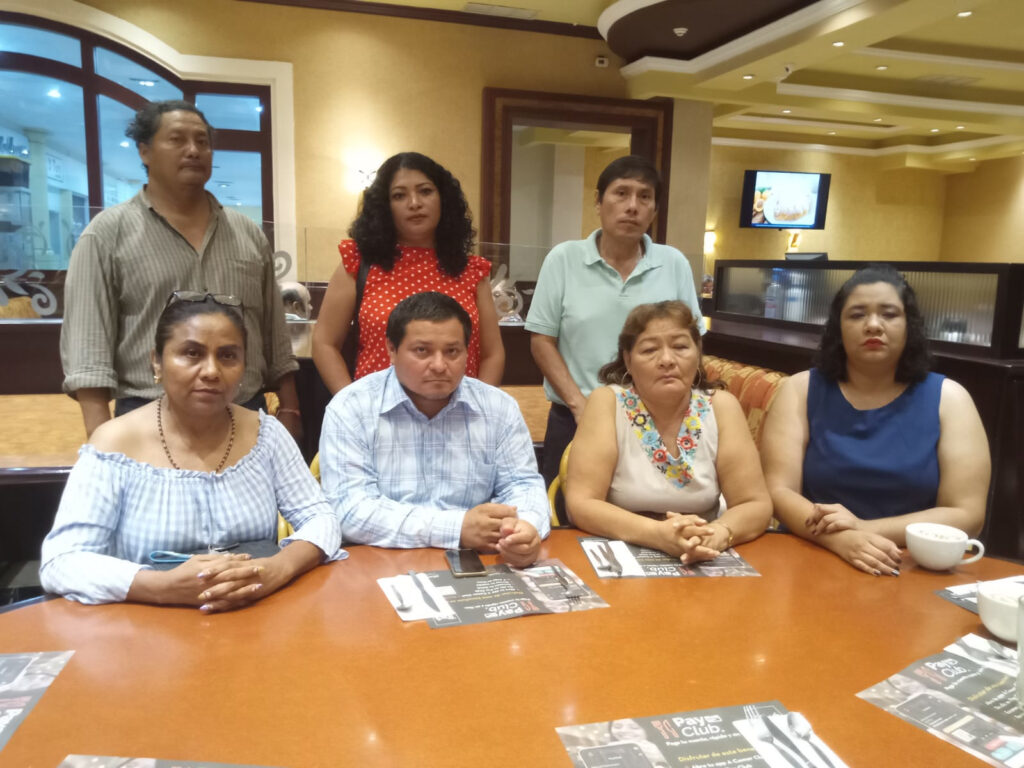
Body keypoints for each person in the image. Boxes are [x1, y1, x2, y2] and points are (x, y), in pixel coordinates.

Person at [41, 294, 343, 610]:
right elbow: (61, 560)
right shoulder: (114, 445)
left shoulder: (265, 435)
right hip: (146, 621)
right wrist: (160, 587)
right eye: (192, 353)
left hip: (253, 614)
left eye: (228, 356)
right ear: (156, 362)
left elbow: (322, 519)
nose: (211, 371)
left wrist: (278, 568)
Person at [60, 100, 302, 439]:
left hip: (245, 414)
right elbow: (88, 351)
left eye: (202, 141)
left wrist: (290, 409)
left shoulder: (248, 234)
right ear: (145, 151)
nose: (193, 150)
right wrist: (102, 440)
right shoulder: (106, 235)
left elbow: (274, 336)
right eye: (177, 139)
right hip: (147, 418)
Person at [761, 265, 990, 575]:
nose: (872, 325)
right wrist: (840, 540)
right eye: (857, 315)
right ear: (838, 328)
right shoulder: (800, 390)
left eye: (889, 314)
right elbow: (778, 491)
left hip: (908, 564)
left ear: (909, 326)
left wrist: (863, 529)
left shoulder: (951, 399)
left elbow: (967, 514)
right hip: (812, 554)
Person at [320, 291, 549, 567]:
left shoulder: (498, 408)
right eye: (422, 351)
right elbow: (349, 510)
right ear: (391, 350)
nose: (439, 366)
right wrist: (456, 528)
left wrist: (523, 528)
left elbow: (523, 485)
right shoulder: (351, 408)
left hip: (480, 561)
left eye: (452, 351)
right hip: (380, 563)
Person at [525, 155, 704, 485]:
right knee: (566, 507)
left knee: (653, 508)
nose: (632, 206)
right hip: (575, 416)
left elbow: (692, 342)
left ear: (654, 209)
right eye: (621, 193)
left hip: (658, 421)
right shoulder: (563, 259)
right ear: (598, 201)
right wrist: (581, 407)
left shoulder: (674, 263)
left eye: (644, 197)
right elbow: (542, 341)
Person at [565, 301, 771, 564]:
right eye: (649, 350)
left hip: (703, 551)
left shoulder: (721, 406)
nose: (667, 360)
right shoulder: (607, 402)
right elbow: (581, 503)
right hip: (623, 548)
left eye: (680, 347)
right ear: (628, 360)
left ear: (698, 353)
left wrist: (717, 534)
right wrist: (658, 535)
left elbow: (754, 504)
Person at [312, 152, 504, 393]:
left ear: (443, 198)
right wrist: (351, 404)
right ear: (385, 206)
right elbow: (324, 343)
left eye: (425, 191)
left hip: (457, 410)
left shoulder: (471, 270)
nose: (414, 203)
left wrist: (481, 406)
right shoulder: (360, 262)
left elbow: (492, 354)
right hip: (376, 409)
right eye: (399, 195)